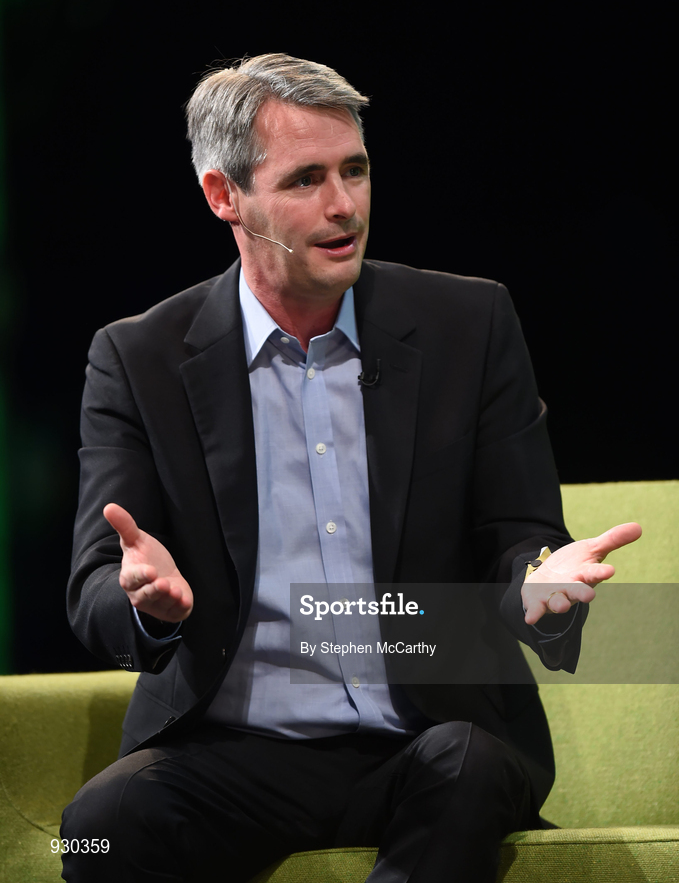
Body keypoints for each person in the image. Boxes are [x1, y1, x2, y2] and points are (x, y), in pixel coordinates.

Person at [61, 54, 641, 883]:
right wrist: (147, 607)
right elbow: (93, 587)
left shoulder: (467, 325)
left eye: (355, 171)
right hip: (238, 751)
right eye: (304, 180)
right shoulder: (138, 357)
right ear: (225, 196)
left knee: (467, 769)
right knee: (95, 827)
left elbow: (521, 539)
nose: (343, 207)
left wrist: (537, 589)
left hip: (431, 738)